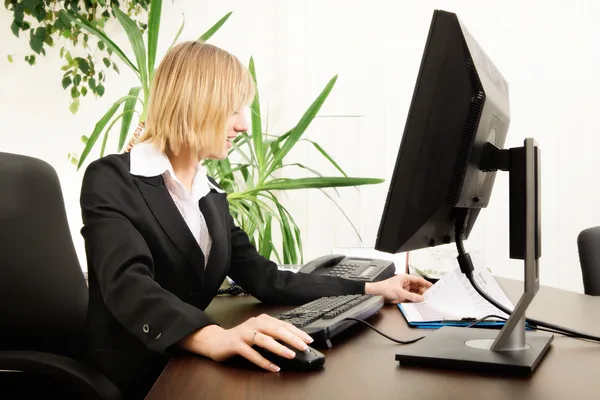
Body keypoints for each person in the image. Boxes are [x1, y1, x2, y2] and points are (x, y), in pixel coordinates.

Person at [80, 40, 432, 399]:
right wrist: (215, 336)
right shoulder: (112, 178)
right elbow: (127, 283)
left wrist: (371, 289)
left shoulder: (210, 193)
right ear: (197, 103)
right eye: (234, 109)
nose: (244, 125)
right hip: (137, 372)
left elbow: (265, 278)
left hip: (190, 359)